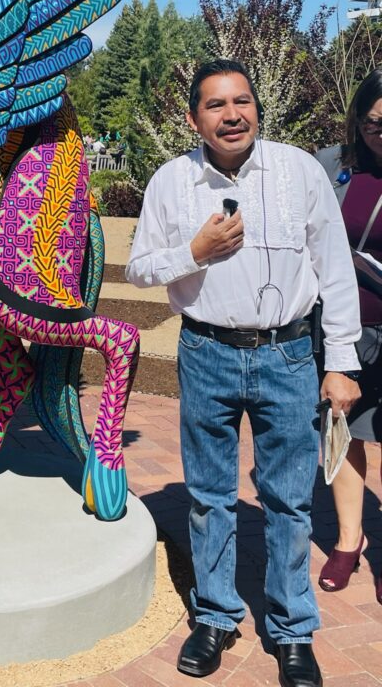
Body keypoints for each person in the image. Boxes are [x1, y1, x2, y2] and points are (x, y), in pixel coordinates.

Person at [125, 59, 361, 687]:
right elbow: (140, 270)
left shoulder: (300, 171)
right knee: (207, 497)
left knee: (288, 502)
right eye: (216, 105)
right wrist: (192, 254)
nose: (232, 115)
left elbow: (334, 271)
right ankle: (216, 616)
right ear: (193, 118)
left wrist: (340, 362)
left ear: (256, 107)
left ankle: (290, 630)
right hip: (207, 353)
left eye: (242, 102)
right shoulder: (171, 183)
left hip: (288, 356)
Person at [316, 67, 382, 600]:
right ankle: (348, 540)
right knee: (342, 429)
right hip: (345, 328)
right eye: (373, 122)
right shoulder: (333, 165)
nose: (380, 132)